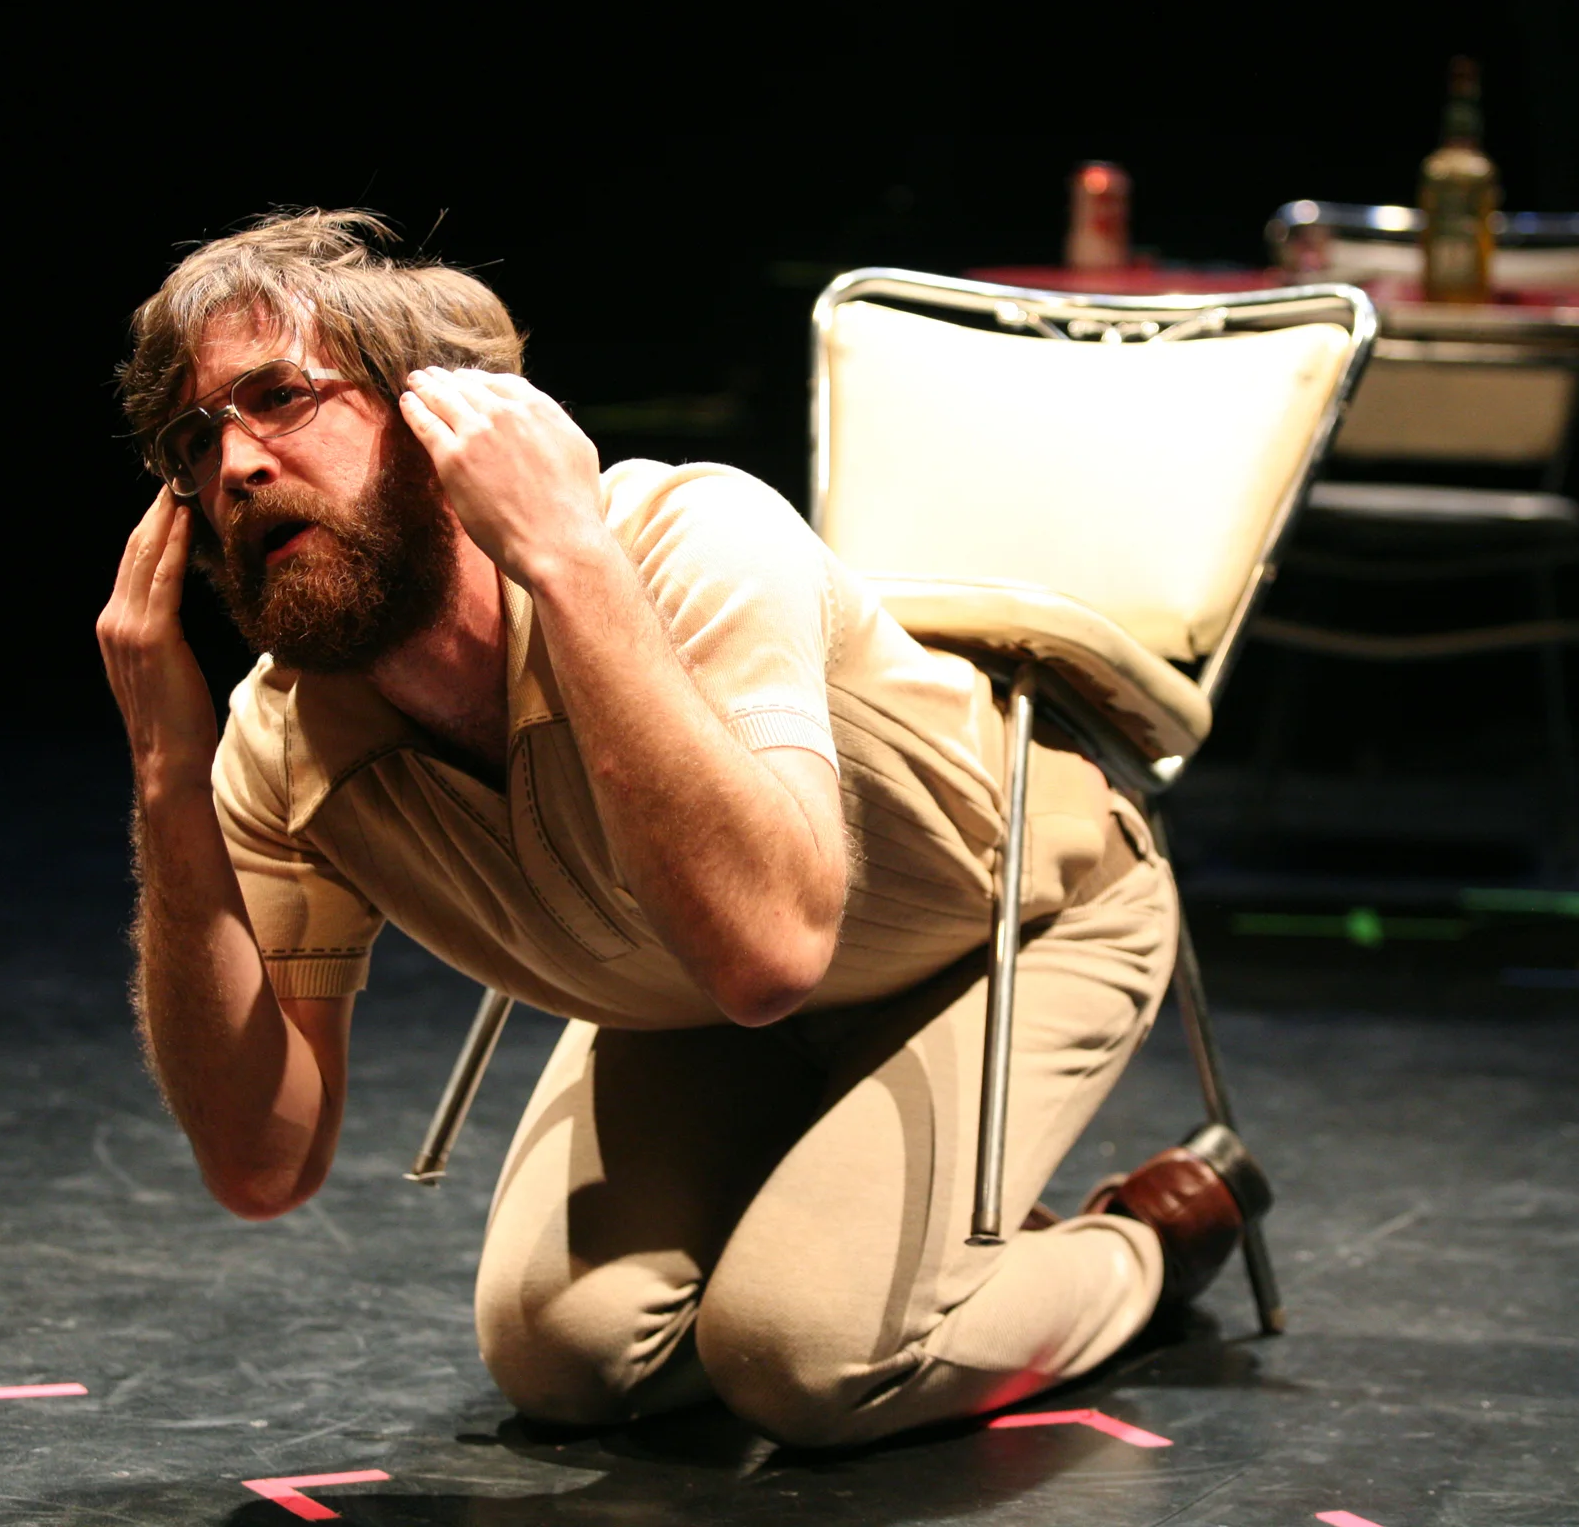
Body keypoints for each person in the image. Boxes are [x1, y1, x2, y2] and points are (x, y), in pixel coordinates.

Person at [96, 210, 1268, 1449]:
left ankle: (1142, 1244)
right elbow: (261, 1164)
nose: (234, 466)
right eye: (193, 441)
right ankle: (886, 1238)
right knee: (563, 1356)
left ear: (447, 416)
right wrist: (168, 773)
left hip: (1013, 931)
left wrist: (566, 557)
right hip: (705, 1000)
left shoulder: (687, 543)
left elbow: (771, 951)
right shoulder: (283, 743)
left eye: (279, 397)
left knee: (802, 1357)